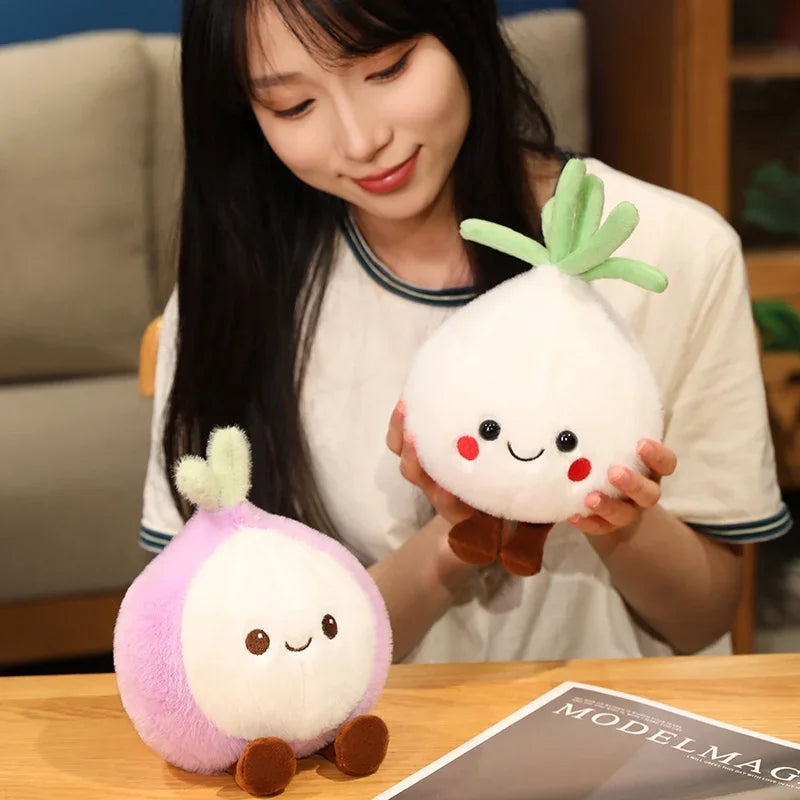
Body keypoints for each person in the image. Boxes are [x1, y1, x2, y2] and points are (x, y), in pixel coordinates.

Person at [140, 0, 791, 664]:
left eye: (388, 69)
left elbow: (702, 618)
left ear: (464, 26)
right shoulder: (235, 293)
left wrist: (617, 520)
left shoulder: (673, 253)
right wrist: (452, 543)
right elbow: (206, 652)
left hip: (625, 737)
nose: (361, 140)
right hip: (371, 751)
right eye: (293, 108)